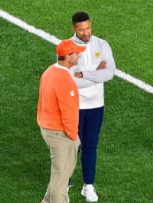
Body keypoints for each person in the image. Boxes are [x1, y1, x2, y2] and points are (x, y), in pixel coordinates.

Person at [69, 11, 116, 202]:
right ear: (74, 28)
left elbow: (110, 73)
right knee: (72, 147)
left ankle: (88, 186)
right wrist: (95, 74)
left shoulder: (101, 44)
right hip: (75, 105)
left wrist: (84, 74)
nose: (86, 32)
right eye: (81, 30)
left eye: (88, 28)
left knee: (90, 146)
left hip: (96, 105)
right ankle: (64, 182)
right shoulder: (66, 48)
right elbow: (71, 81)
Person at [38, 39, 86, 203]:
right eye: (76, 53)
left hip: (48, 128)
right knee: (61, 178)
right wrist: (73, 137)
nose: (79, 55)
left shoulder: (49, 71)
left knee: (60, 173)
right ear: (68, 56)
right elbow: (69, 112)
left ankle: (46, 201)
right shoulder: (65, 80)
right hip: (61, 133)